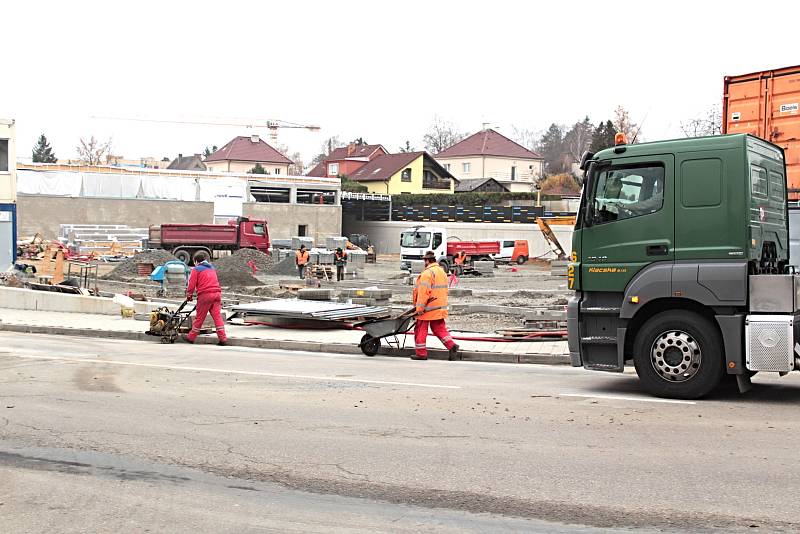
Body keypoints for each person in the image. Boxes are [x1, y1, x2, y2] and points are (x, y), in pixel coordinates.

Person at [411, 251, 459, 361]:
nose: (424, 263)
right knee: (439, 328)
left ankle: (421, 353)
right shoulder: (441, 271)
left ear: (427, 261)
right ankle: (452, 346)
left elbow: (423, 293)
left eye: (424, 261)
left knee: (420, 329)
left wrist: (419, 309)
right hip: (439, 307)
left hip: (427, 308)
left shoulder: (427, 273)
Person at [184, 259, 227, 346]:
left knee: (200, 317)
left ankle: (191, 337)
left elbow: (191, 284)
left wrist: (189, 295)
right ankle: (223, 338)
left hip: (205, 295)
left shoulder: (196, 269)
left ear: (196, 261)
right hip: (217, 294)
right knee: (217, 316)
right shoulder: (212, 268)